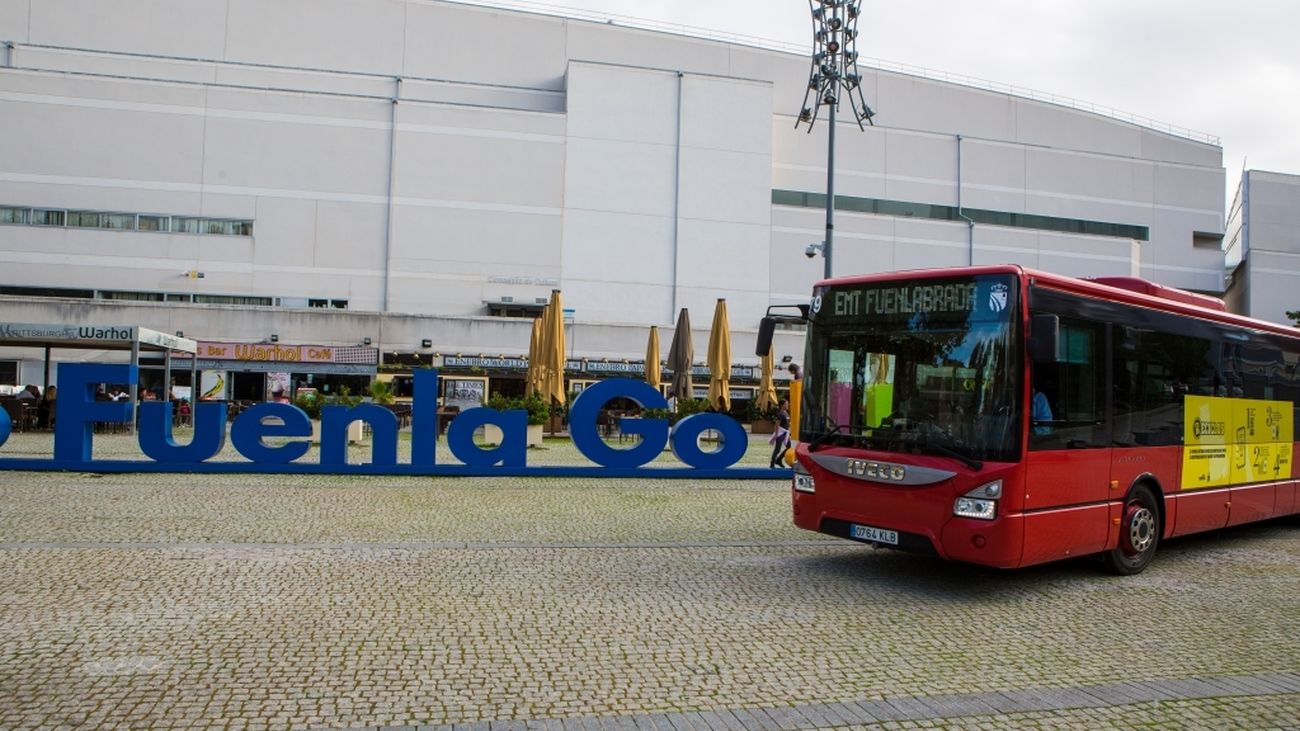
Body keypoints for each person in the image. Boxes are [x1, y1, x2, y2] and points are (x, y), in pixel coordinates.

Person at [769, 399, 792, 468]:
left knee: (789, 447)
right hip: (780, 433)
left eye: (787, 404)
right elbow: (776, 424)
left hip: (786, 432)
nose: (788, 405)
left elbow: (787, 423)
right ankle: (772, 464)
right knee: (777, 449)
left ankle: (779, 460)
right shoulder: (780, 413)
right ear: (782, 405)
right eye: (786, 404)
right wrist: (776, 434)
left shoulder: (786, 412)